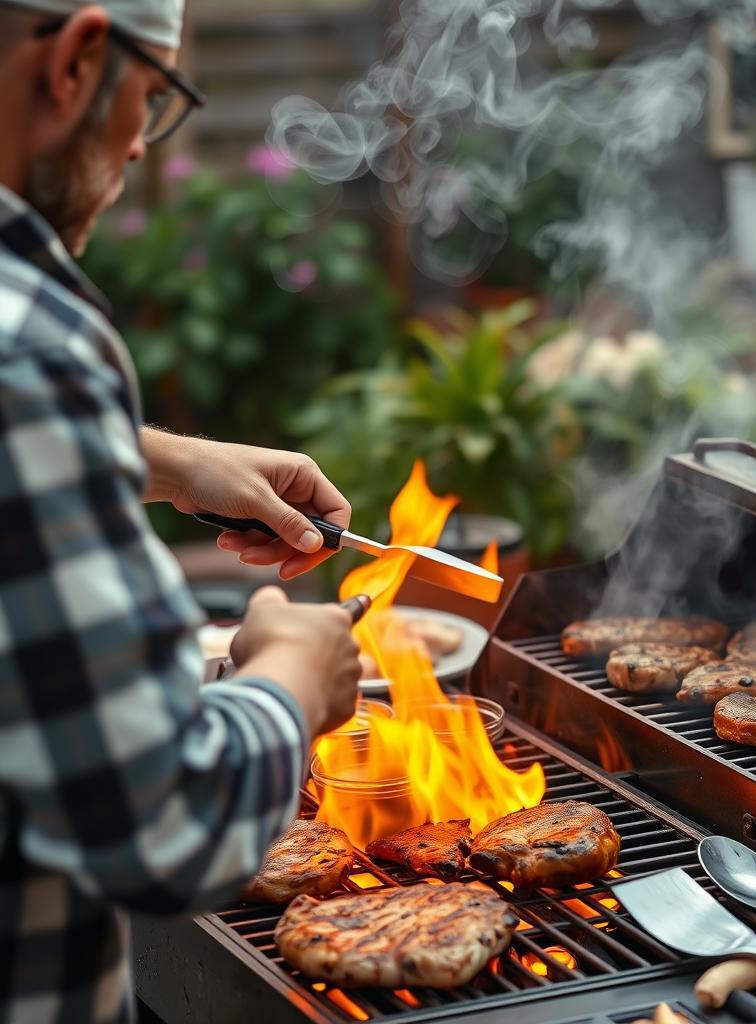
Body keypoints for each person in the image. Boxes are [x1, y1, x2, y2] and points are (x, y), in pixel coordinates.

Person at [0, 0, 364, 1020]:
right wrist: (293, 677)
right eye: (153, 96)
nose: (135, 148)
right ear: (77, 58)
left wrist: (163, 458)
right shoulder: (31, 347)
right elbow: (160, 823)